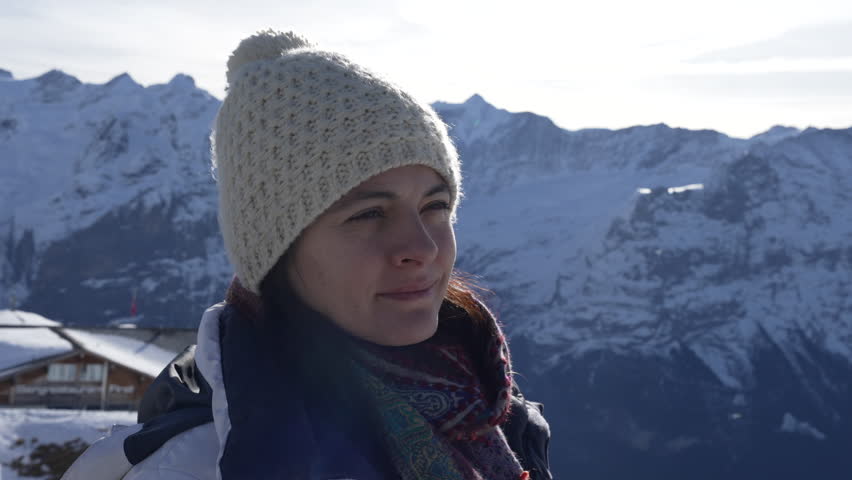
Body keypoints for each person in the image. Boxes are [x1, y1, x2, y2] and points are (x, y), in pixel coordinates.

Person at [62, 29, 551, 480]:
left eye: (435, 206)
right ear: (276, 250)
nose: (422, 247)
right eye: (368, 214)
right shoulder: (197, 465)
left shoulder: (488, 409)